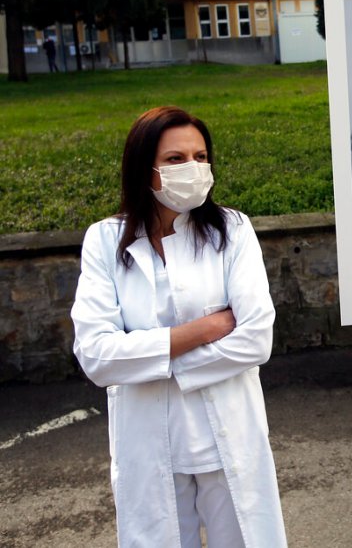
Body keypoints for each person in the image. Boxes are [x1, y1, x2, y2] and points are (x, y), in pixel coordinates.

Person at [71, 106, 287, 547]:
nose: (193, 168)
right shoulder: (105, 241)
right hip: (150, 441)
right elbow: (95, 356)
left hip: (226, 433)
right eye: (175, 159)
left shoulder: (233, 230)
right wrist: (206, 329)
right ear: (143, 169)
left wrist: (152, 358)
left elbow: (256, 338)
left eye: (201, 156)